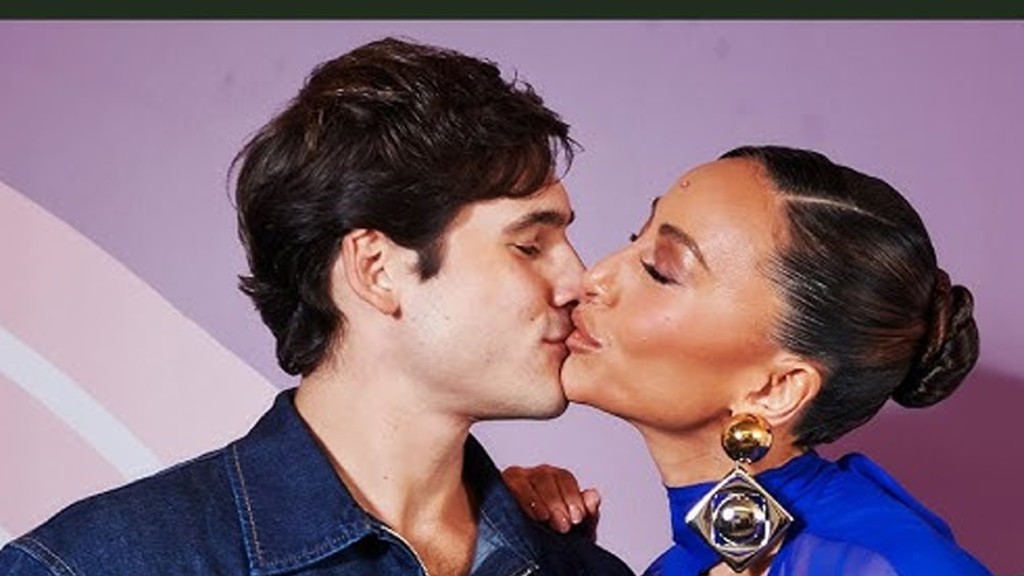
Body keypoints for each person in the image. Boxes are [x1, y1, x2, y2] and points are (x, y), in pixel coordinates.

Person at [0, 37, 633, 575]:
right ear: (376, 269)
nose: (577, 280)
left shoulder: (579, 568)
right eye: (529, 245)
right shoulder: (99, 564)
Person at [503, 145, 992, 575]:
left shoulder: (890, 566)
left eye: (660, 270)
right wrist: (541, 555)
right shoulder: (687, 562)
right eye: (636, 238)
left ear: (776, 388)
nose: (593, 278)